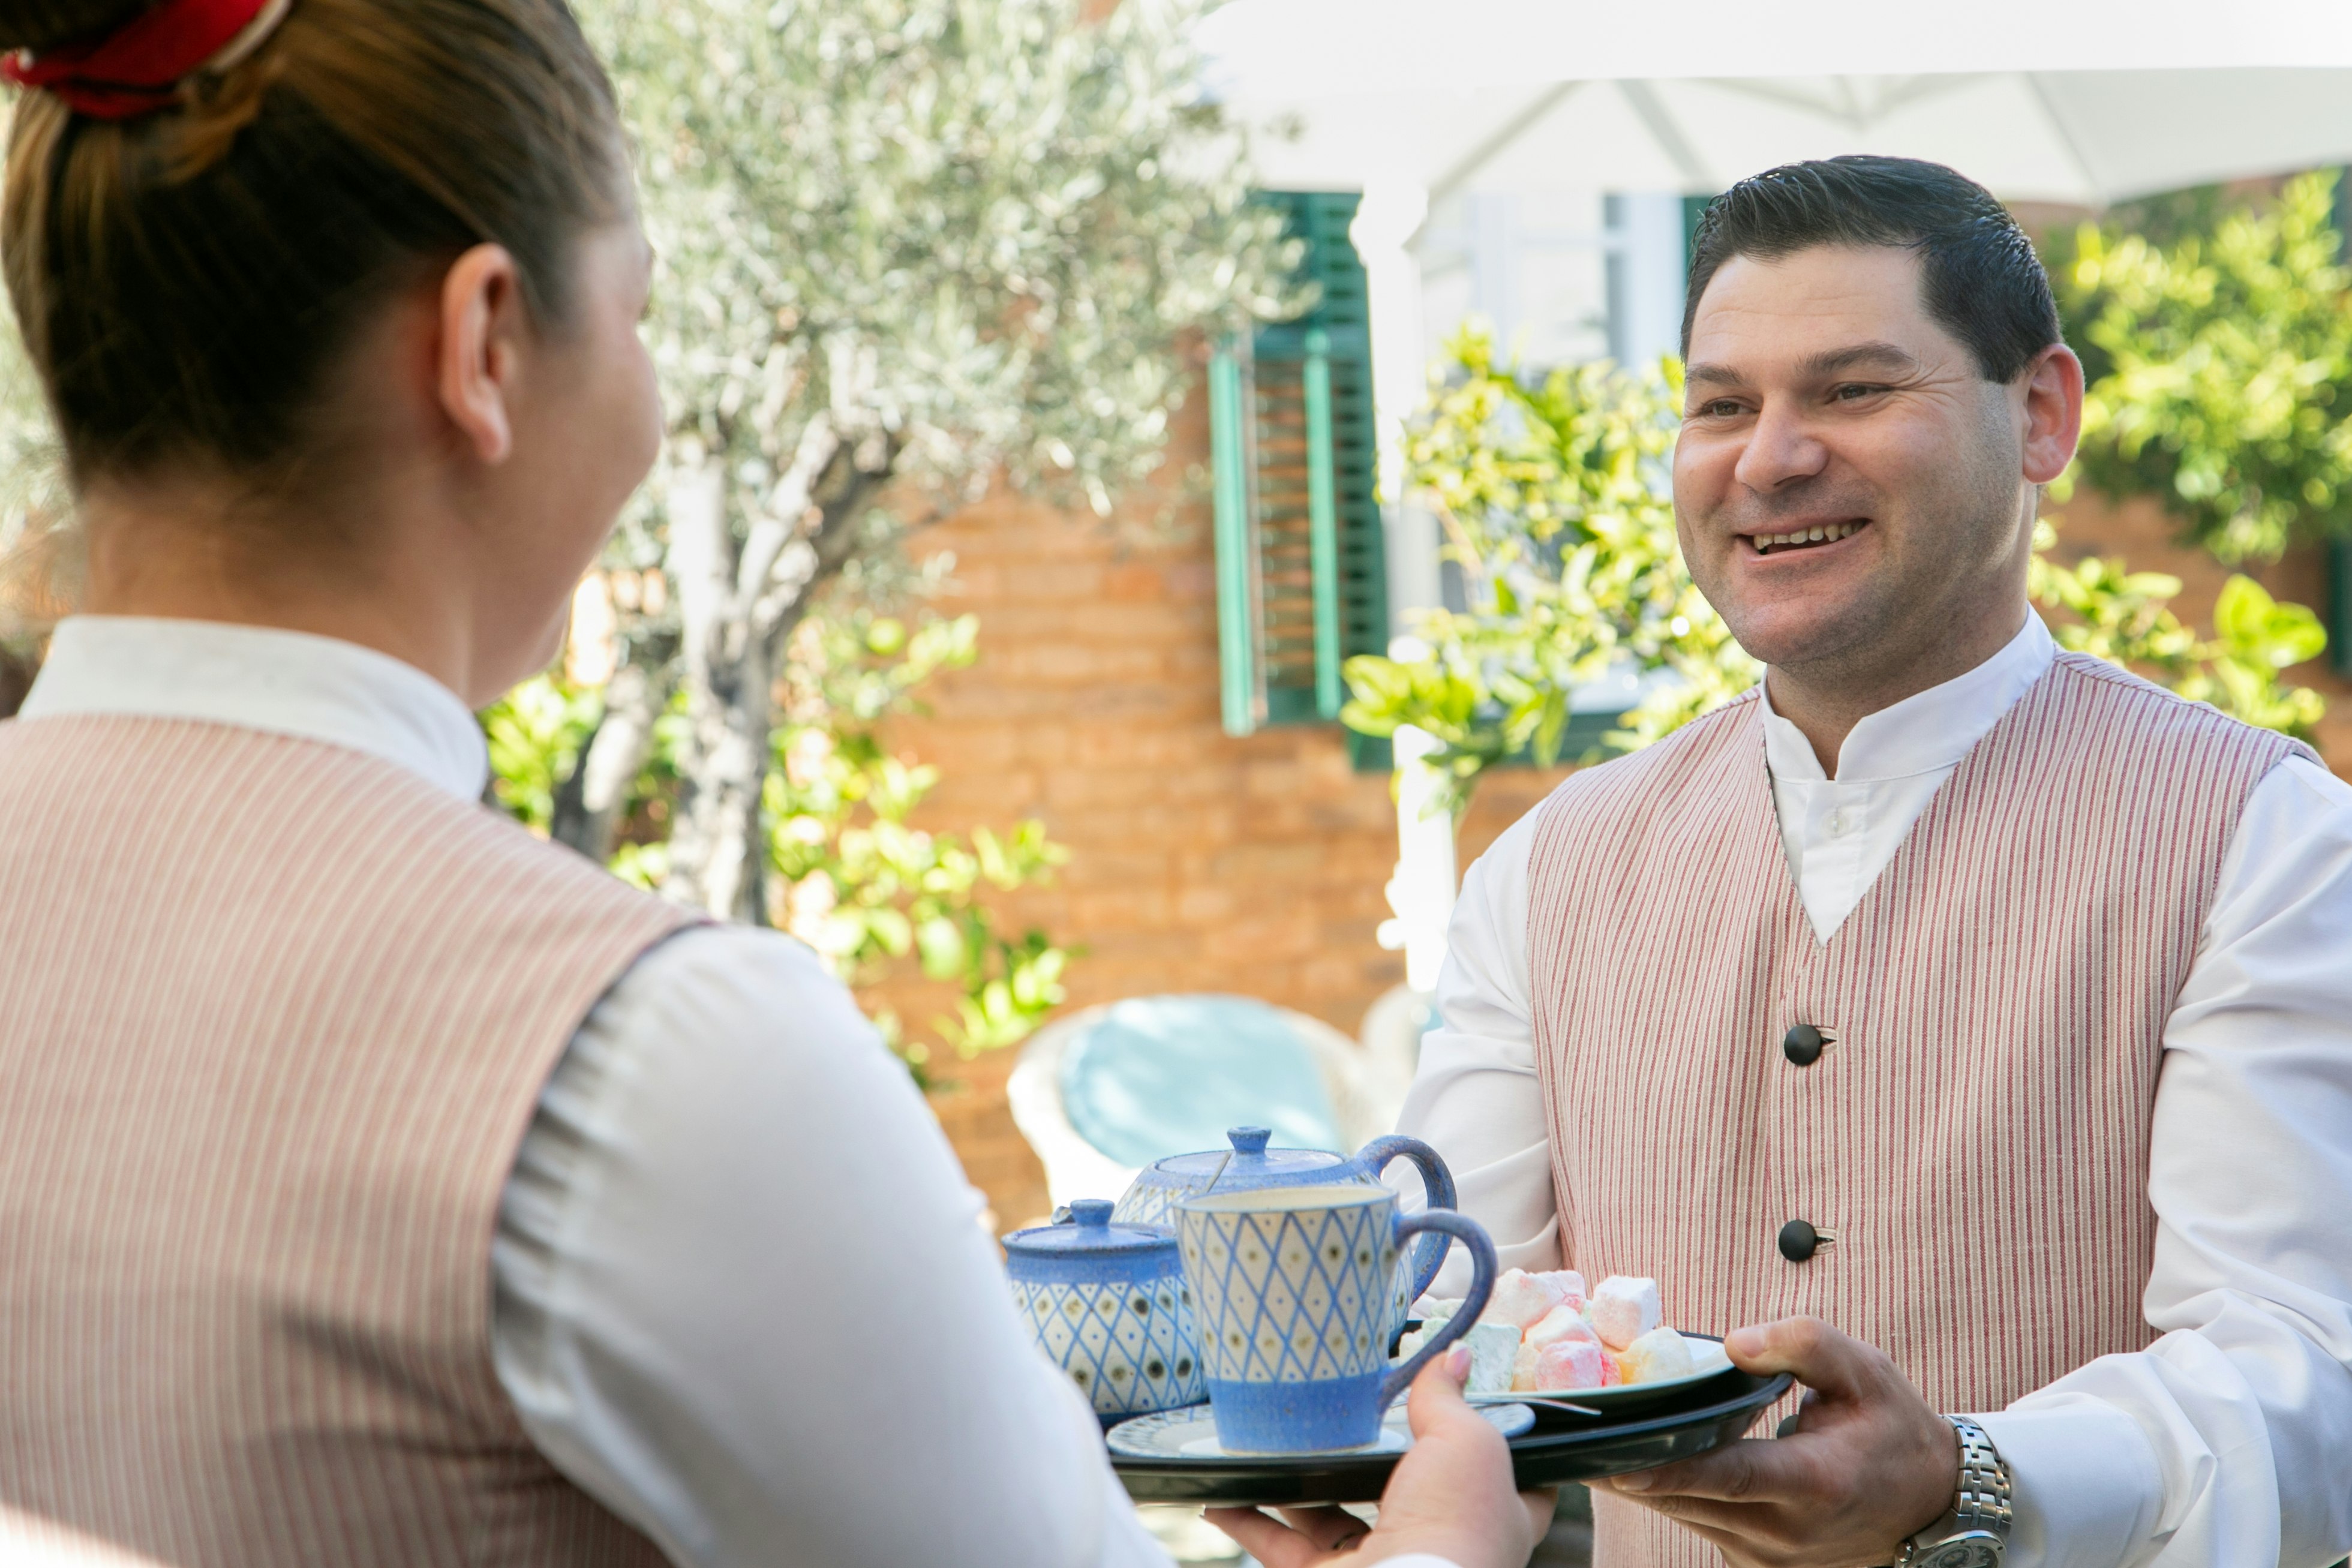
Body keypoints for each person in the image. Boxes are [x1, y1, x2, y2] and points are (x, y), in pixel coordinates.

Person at [0, 2, 1556, 1565]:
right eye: (638, 312)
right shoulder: (635, 1052)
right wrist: (1439, 1552)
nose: (651, 398)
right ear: (484, 346)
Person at [1396, 157, 2352, 1568]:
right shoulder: (1543, 873)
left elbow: (2304, 1373)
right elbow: (1450, 1334)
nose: (1767, 458)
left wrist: (1969, 1476)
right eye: (1721, 404)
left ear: (2039, 413)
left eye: (1850, 389)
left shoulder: (2260, 839)